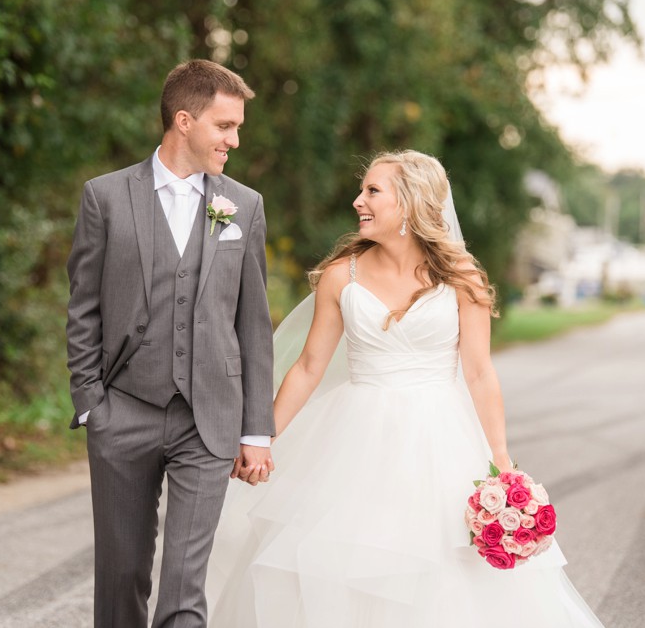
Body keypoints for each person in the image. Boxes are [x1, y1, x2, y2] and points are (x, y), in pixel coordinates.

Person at [207, 150, 604, 626]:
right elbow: (309, 366)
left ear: (412, 203)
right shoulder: (341, 275)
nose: (359, 201)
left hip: (441, 441)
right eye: (362, 189)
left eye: (373, 191)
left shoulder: (461, 279)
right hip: (352, 440)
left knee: (442, 572)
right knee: (341, 561)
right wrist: (263, 438)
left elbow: (478, 373)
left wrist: (501, 461)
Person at [65, 59, 276, 628]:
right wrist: (91, 406)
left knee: (183, 588)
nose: (234, 140)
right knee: (122, 577)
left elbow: (253, 324)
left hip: (208, 418)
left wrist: (255, 430)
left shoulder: (244, 205)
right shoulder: (105, 197)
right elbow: (83, 307)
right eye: (224, 126)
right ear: (184, 120)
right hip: (123, 411)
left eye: (236, 128)